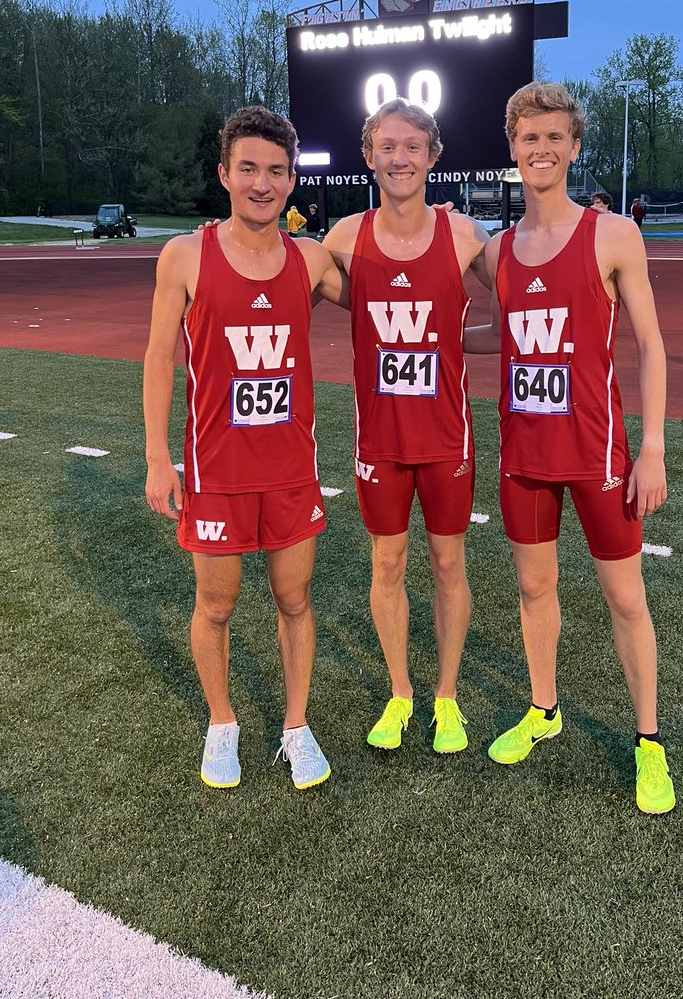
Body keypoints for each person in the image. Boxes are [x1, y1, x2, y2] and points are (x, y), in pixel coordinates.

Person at [464, 82, 675, 815]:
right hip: (524, 453)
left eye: (554, 137)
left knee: (624, 597)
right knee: (533, 589)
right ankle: (543, 710)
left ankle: (649, 742)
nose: (541, 149)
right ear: (512, 148)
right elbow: (504, 335)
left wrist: (651, 448)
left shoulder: (613, 235)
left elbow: (650, 344)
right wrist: (432, 338)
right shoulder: (498, 252)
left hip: (599, 454)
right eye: (529, 138)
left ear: (574, 147)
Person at [143, 105, 347, 792]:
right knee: (218, 604)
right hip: (216, 470)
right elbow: (156, 359)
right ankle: (222, 723)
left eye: (277, 171)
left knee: (294, 599)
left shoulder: (311, 259)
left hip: (291, 471)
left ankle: (296, 727)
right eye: (249, 169)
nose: (263, 183)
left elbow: (393, 297)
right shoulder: (185, 256)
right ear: (224, 173)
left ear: (292, 181)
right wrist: (154, 457)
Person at [323, 99, 491, 754]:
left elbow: (531, 301)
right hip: (380, 443)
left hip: (447, 438)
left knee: (448, 564)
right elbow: (278, 288)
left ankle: (445, 699)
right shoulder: (342, 238)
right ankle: (401, 693)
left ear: (433, 156)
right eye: (386, 146)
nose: (399, 158)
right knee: (387, 562)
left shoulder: (467, 238)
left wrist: (456, 340)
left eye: (412, 146)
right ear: (369, 156)